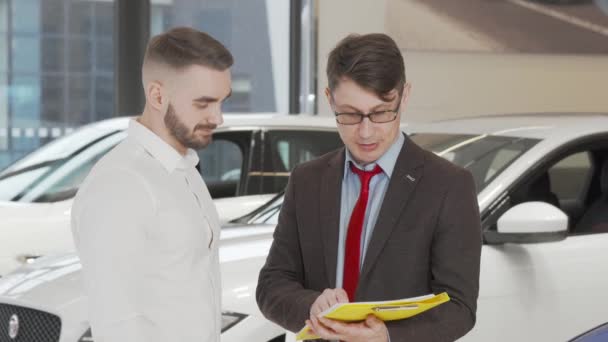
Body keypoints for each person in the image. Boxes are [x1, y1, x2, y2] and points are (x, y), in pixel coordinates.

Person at [256, 33, 482, 342]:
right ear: (329, 98)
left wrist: (388, 336)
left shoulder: (448, 185)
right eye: (349, 114)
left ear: (404, 96)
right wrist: (311, 305)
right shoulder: (307, 180)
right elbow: (272, 284)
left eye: (380, 113)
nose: (365, 132)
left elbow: (460, 307)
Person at [71, 27, 233, 342]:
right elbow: (116, 322)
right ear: (157, 95)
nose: (218, 118)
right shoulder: (121, 183)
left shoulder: (183, 170)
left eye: (221, 102)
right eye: (203, 104)